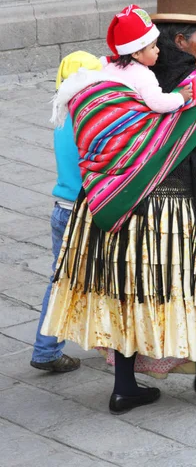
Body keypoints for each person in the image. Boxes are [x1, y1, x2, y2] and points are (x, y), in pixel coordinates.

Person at [42, 0, 196, 415]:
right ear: (180, 39)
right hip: (167, 211)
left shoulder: (118, 70)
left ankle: (124, 385)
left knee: (124, 292)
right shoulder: (188, 84)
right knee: (190, 288)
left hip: (109, 203)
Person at [30, 51, 103, 372]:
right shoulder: (91, 120)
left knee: (61, 281)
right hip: (85, 214)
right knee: (108, 277)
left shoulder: (61, 116)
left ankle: (47, 349)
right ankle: (118, 347)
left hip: (62, 209)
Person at [102, 4, 193, 111]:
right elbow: (158, 103)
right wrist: (180, 97)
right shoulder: (142, 75)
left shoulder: (109, 65)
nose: (158, 50)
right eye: (153, 47)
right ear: (136, 53)